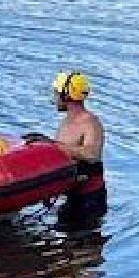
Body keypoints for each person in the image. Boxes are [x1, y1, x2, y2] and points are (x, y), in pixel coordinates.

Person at [50, 70, 107, 227]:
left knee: (84, 245)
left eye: (57, 93)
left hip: (89, 198)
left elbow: (92, 154)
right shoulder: (65, 122)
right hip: (70, 195)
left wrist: (54, 146)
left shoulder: (91, 123)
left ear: (66, 96)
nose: (54, 98)